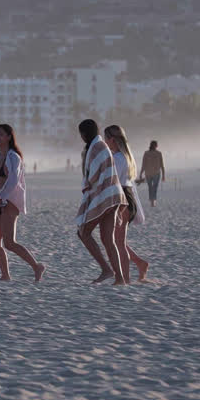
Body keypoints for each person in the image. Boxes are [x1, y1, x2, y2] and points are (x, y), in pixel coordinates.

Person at [0, 124, 45, 282]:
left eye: (1, 134)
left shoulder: (13, 156)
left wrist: (1, 198)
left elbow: (13, 180)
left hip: (10, 202)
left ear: (9, 136)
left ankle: (37, 267)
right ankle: (5, 275)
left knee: (9, 242)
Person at [75, 119, 128, 285]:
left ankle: (106, 269)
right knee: (107, 239)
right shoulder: (101, 146)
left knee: (83, 232)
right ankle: (119, 278)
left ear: (83, 134)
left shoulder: (97, 148)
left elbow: (94, 175)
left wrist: (87, 187)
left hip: (104, 195)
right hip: (113, 195)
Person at [105, 125, 149, 283]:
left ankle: (124, 279)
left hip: (121, 198)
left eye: (106, 139)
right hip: (127, 196)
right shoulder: (125, 156)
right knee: (117, 240)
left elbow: (112, 180)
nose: (105, 142)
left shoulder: (117, 158)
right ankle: (139, 263)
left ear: (112, 139)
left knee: (119, 243)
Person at [141, 140, 166, 207]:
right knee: (153, 187)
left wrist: (141, 173)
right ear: (156, 146)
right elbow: (144, 163)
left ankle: (152, 201)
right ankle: (153, 201)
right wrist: (163, 175)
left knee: (151, 187)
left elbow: (143, 164)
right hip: (154, 173)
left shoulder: (150, 153)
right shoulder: (156, 153)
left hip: (150, 173)